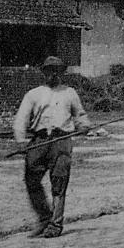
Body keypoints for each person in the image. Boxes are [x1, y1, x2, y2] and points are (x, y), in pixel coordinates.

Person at [13, 56, 92, 238]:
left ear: (62, 73)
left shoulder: (70, 93)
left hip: (61, 141)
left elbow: (80, 114)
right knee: (31, 179)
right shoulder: (33, 94)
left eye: (57, 70)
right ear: (44, 73)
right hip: (39, 141)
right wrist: (21, 140)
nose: (53, 74)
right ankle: (44, 217)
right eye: (49, 70)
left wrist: (83, 126)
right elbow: (21, 119)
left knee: (59, 182)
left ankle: (55, 225)